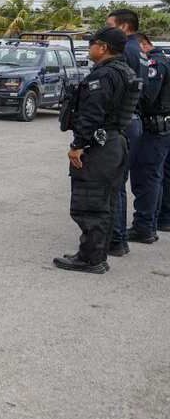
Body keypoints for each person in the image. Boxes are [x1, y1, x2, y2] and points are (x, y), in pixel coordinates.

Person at [54, 27, 140, 273]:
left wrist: (77, 146)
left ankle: (90, 259)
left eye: (92, 43)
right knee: (106, 202)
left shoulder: (102, 76)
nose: (89, 47)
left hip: (99, 146)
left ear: (103, 47)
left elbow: (92, 115)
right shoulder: (126, 71)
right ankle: (94, 254)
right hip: (115, 142)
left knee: (90, 202)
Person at [106, 8, 147, 256]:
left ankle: (116, 239)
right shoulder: (137, 50)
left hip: (122, 122)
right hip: (133, 119)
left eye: (109, 24)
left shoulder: (126, 52)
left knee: (114, 182)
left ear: (123, 27)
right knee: (118, 181)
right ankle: (117, 236)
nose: (107, 28)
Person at [128, 33, 170, 243]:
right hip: (162, 128)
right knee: (159, 176)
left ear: (144, 44)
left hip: (155, 129)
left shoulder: (155, 63)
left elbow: (146, 97)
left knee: (147, 177)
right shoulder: (165, 60)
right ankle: (158, 220)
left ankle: (144, 226)